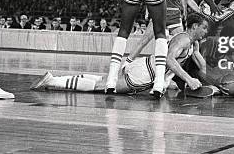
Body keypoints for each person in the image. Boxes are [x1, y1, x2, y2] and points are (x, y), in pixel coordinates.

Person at [30, 14, 210, 94]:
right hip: (145, 74)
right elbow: (169, 60)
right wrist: (189, 79)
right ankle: (53, 81)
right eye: (204, 28)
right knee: (101, 87)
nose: (205, 31)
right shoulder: (183, 40)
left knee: (103, 81)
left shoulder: (188, 40)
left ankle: (57, 79)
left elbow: (200, 64)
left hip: (144, 65)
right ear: (194, 27)